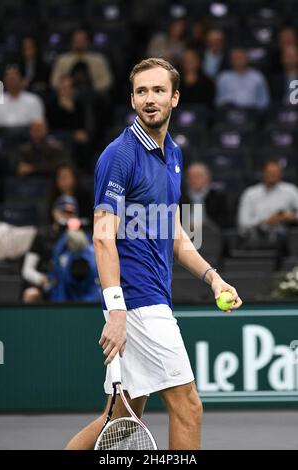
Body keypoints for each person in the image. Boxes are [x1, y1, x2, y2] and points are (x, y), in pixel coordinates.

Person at [65, 57, 242, 450]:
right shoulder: (119, 156)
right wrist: (116, 311)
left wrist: (213, 277)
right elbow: (101, 238)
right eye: (142, 91)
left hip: (148, 299)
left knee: (123, 417)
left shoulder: (174, 156)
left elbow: (175, 234)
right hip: (137, 301)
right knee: (188, 407)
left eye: (159, 90)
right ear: (132, 99)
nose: (150, 98)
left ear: (175, 98)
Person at [237, 159, 298, 252]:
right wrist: (266, 221)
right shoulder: (250, 193)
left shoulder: (290, 190)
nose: (274, 175)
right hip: (257, 237)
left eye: (277, 172)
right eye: (270, 172)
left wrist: (290, 216)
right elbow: (243, 223)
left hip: (284, 237)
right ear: (263, 173)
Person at [50, 30, 113, 95]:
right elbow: (54, 82)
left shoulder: (99, 59)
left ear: (87, 42)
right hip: (68, 95)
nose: (79, 42)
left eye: (82, 40)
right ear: (72, 42)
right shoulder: (62, 60)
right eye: (77, 40)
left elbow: (107, 81)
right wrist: (67, 89)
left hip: (94, 95)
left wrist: (91, 89)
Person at [180, 163, 232, 230]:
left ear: (207, 178)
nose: (194, 180)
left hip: (211, 233)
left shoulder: (218, 197)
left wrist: (205, 225)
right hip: (186, 233)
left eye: (198, 176)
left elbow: (227, 220)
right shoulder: (181, 198)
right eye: (191, 177)